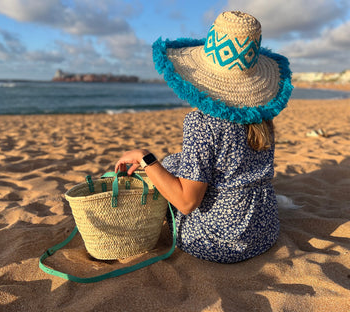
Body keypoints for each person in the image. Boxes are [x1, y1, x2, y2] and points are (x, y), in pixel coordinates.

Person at [115, 11, 293, 263]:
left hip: (220, 242)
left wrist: (145, 157)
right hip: (263, 231)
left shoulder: (202, 122)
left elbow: (187, 203)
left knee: (165, 168)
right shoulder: (261, 117)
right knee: (176, 162)